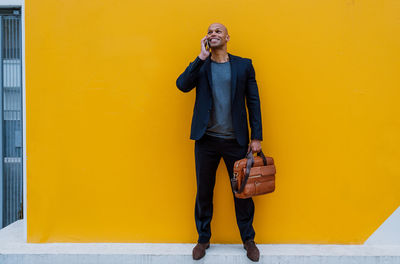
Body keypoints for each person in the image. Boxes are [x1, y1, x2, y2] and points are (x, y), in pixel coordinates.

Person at [176, 23, 263, 262]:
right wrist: (200, 57)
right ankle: (203, 239)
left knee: (242, 192)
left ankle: (248, 239)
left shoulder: (244, 65)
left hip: (236, 142)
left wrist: (256, 136)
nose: (213, 33)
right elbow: (182, 85)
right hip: (206, 142)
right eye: (210, 31)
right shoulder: (202, 66)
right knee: (204, 191)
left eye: (218, 31)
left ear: (227, 37)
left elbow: (253, 101)